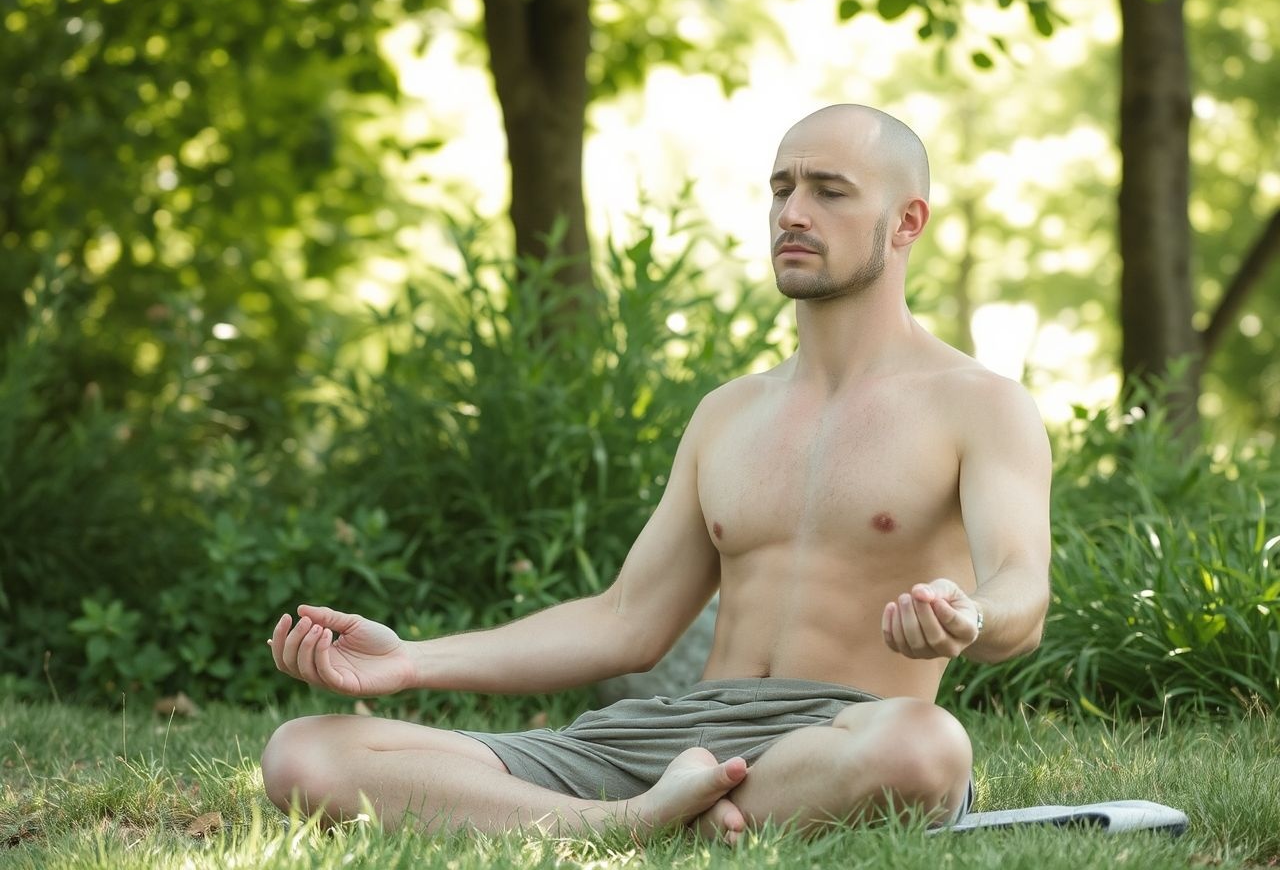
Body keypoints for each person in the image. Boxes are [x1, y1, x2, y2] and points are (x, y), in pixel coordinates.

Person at [261, 103, 1052, 843]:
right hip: (669, 739)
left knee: (926, 747)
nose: (792, 213)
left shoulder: (980, 404)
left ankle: (660, 814)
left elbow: (1022, 592)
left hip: (837, 737)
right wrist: (411, 660)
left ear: (907, 221)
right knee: (306, 752)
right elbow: (626, 622)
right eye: (781, 188)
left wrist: (971, 615)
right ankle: (634, 821)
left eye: (829, 191)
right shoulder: (728, 413)